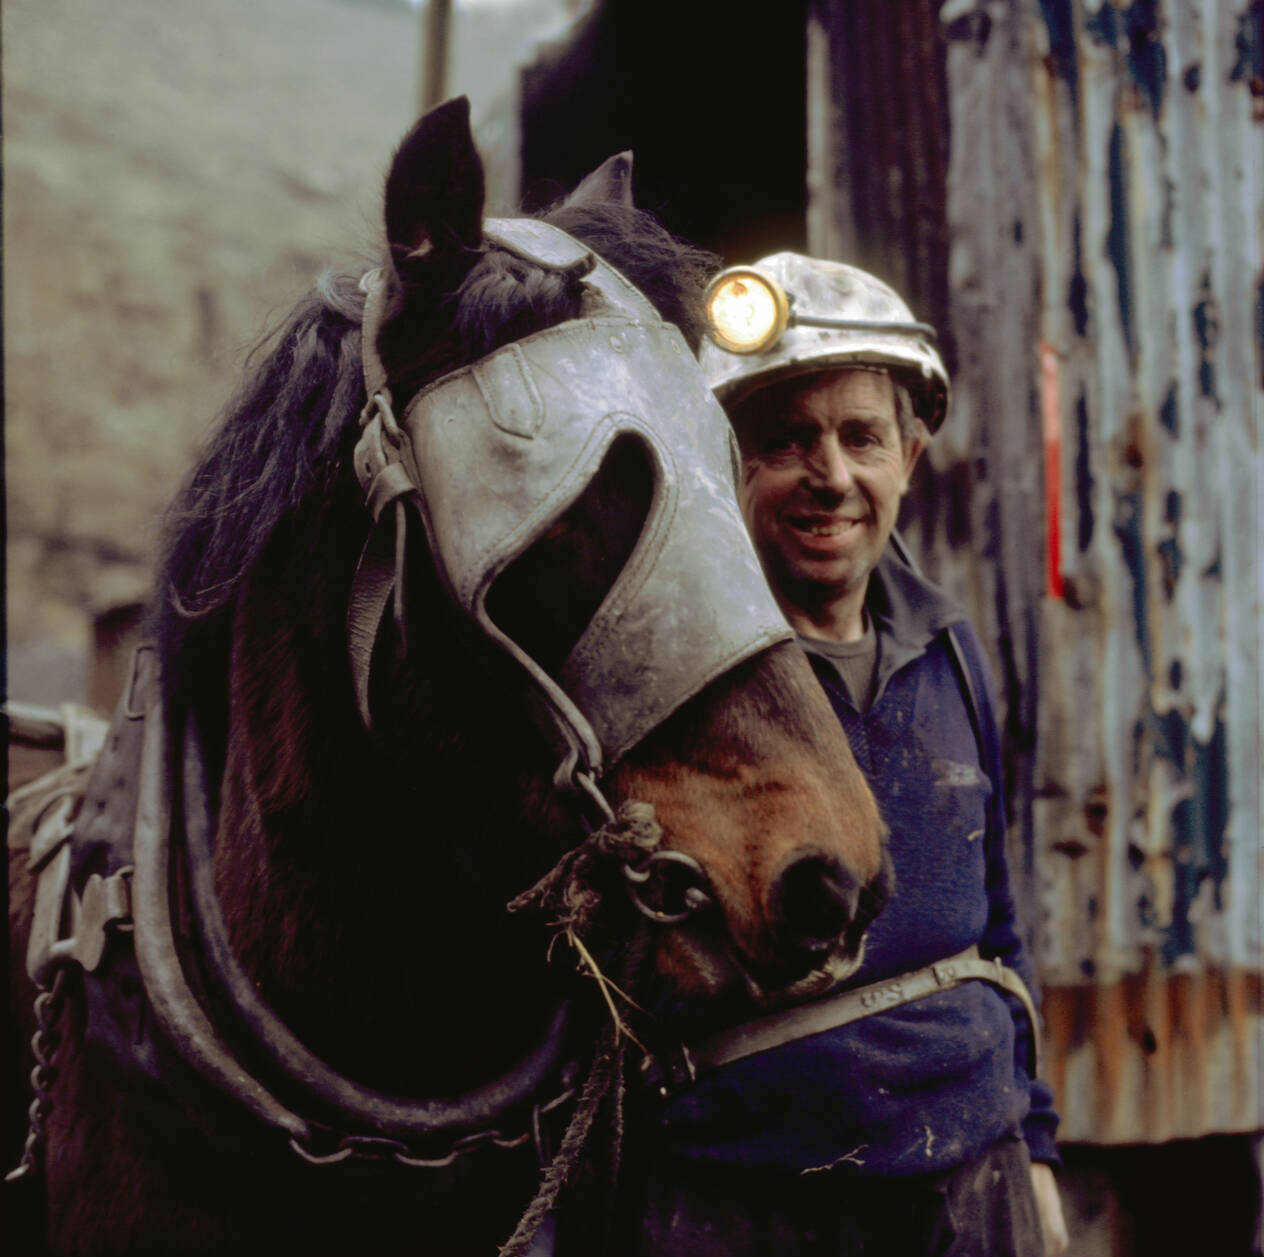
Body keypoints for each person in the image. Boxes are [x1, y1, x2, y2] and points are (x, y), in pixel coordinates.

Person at [624, 254, 1069, 1257]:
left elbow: (996, 926)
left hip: (970, 1181)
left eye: (860, 436)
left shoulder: (947, 645)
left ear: (907, 461)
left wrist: (1035, 1153)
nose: (830, 475)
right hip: (744, 1196)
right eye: (785, 439)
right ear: (725, 464)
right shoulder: (665, 684)